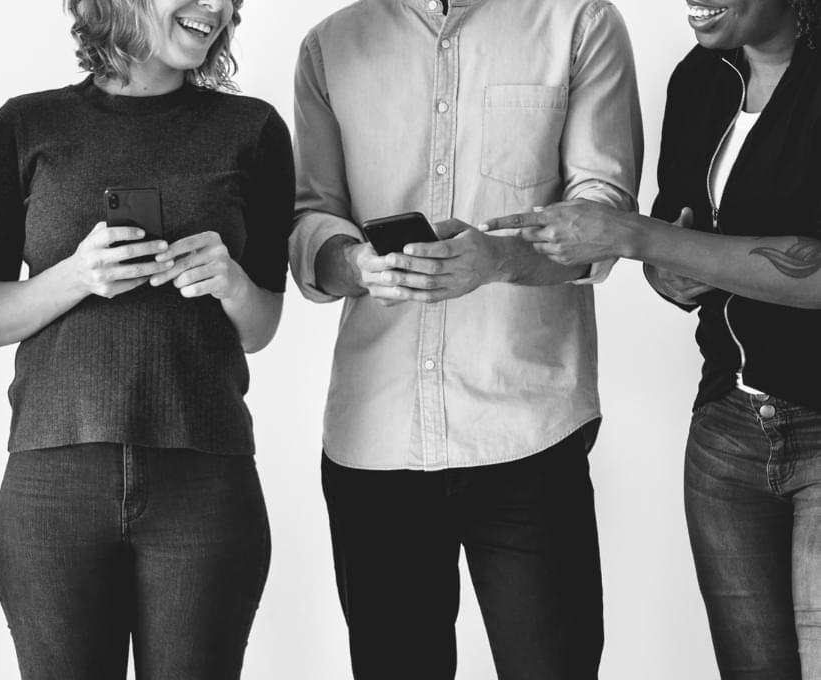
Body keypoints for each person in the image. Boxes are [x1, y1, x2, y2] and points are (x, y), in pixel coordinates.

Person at [287, 0, 641, 676]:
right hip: (377, 440)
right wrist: (354, 263)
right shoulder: (330, 46)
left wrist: (498, 258)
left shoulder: (579, 22)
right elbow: (311, 217)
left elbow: (604, 215)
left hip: (529, 431)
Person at [0, 0, 293, 677]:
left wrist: (231, 282)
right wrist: (78, 276)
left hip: (205, 478)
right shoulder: (24, 126)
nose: (218, 7)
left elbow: (260, 328)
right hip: (54, 482)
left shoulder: (254, 130)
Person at [486, 1, 821, 674]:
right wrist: (671, 272)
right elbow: (673, 246)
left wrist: (638, 237)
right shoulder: (699, 77)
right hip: (726, 432)